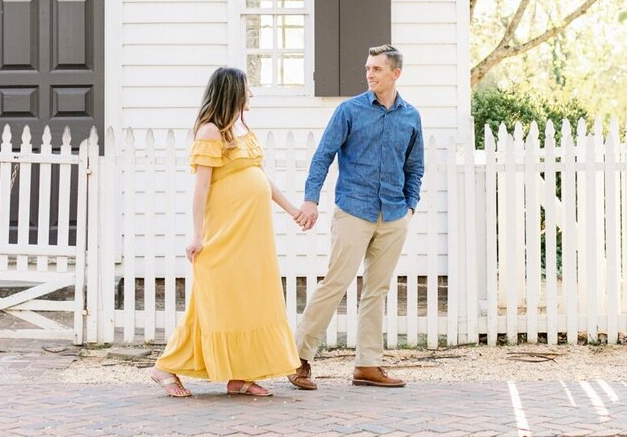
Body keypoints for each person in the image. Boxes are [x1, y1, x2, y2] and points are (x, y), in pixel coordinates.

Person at [150, 66, 307, 398]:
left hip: (253, 238)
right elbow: (201, 188)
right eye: (247, 89)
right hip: (225, 236)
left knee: (249, 301)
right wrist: (197, 235)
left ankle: (240, 376)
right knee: (216, 304)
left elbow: (262, 180)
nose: (251, 94)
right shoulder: (210, 133)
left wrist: (292, 209)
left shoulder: (244, 133)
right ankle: (165, 367)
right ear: (232, 93)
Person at [288, 44, 424, 390]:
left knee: (376, 290)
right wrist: (310, 199)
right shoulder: (348, 111)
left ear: (396, 73)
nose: (369, 74)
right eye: (367, 68)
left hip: (393, 214)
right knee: (335, 284)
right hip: (354, 210)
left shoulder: (411, 117)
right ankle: (297, 359)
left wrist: (410, 206)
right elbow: (323, 157)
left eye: (377, 69)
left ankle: (368, 365)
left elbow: (415, 166)